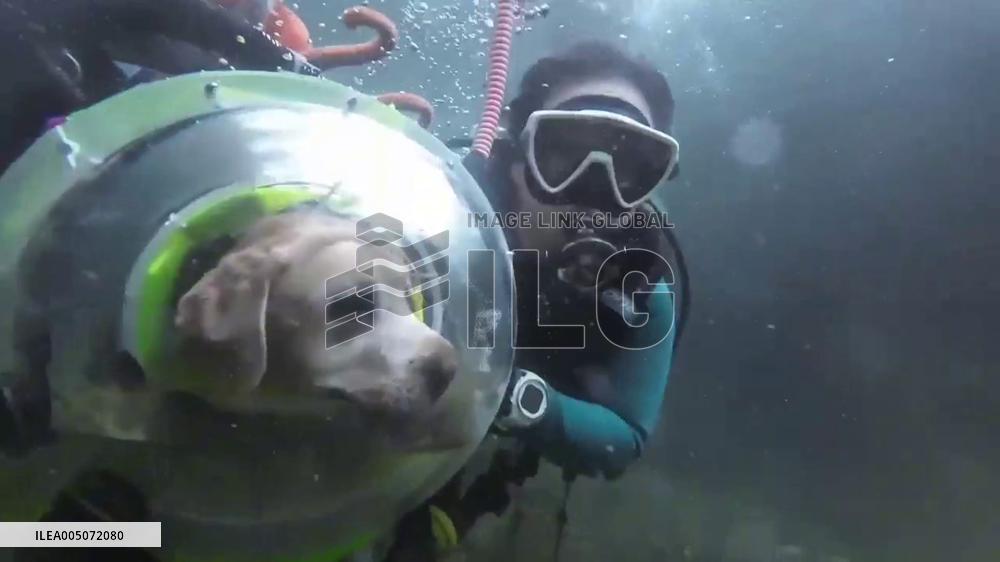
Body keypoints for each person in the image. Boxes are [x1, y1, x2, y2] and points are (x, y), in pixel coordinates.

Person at [384, 40, 690, 560]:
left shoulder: (639, 287)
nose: (593, 191)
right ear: (516, 150)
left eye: (629, 164)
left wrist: (500, 392)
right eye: (564, 151)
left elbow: (625, 438)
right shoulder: (434, 218)